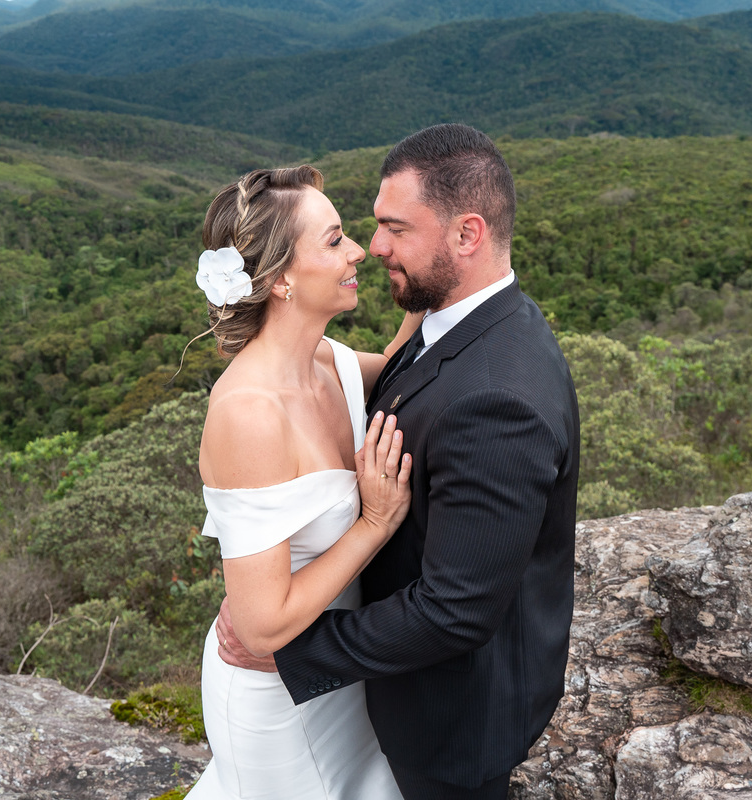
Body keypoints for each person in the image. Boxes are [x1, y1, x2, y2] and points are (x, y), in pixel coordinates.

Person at [217, 123, 581, 800]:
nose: (371, 246)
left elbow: (456, 611)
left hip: (447, 721)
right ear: (281, 279)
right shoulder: (458, 324)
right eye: (345, 236)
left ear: (467, 235)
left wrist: (292, 654)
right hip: (356, 692)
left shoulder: (500, 398)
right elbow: (402, 373)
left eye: (394, 229)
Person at [185, 164, 423, 799]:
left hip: (336, 669)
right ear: (282, 279)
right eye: (335, 239)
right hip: (275, 691)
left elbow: (397, 371)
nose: (358, 253)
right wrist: (374, 524)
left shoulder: (324, 358)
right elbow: (260, 627)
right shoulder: (249, 414)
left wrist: (426, 278)